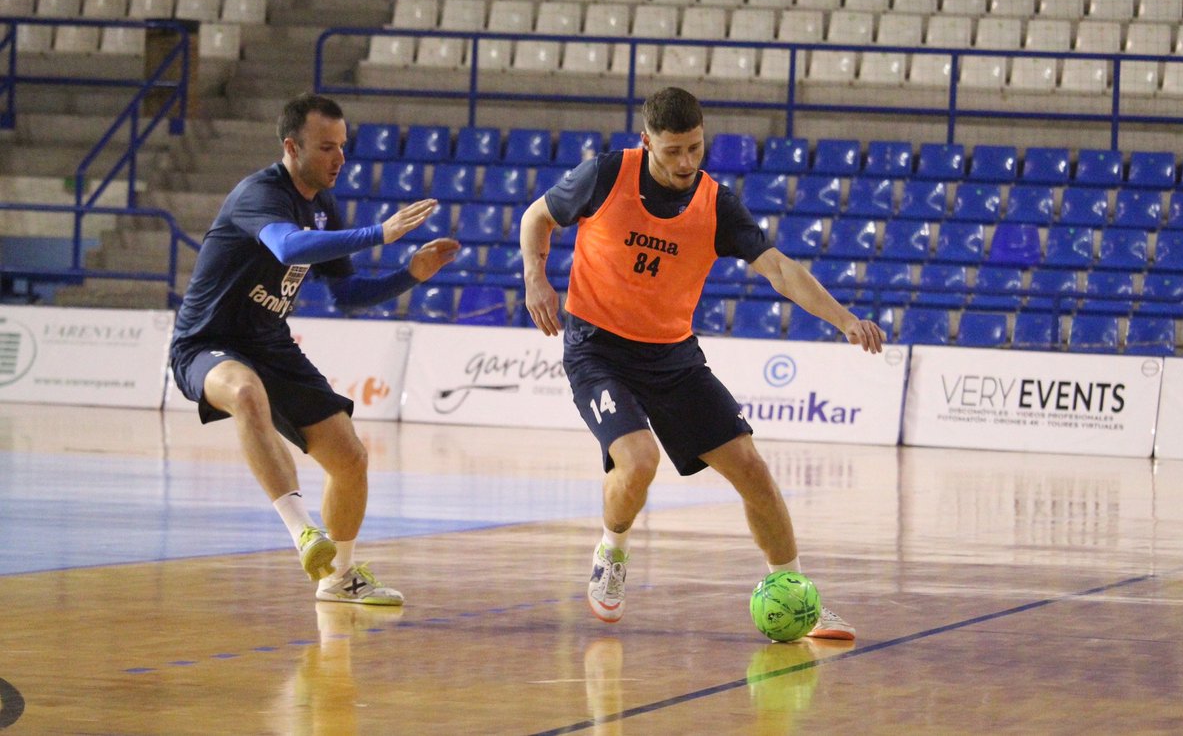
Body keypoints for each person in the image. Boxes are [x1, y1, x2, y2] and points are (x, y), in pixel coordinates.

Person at [520, 87, 885, 639]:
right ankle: (612, 550)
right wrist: (536, 279)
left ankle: (794, 594)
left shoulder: (716, 203)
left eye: (696, 148)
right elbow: (536, 217)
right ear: (647, 143)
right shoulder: (604, 175)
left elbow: (780, 269)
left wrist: (844, 319)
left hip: (673, 355)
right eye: (674, 152)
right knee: (639, 462)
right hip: (597, 348)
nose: (687, 162)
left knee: (752, 469)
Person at [170, 93, 459, 606]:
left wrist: (408, 275)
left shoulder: (324, 206)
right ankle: (303, 531)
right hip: (207, 344)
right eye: (327, 148)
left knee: (350, 458)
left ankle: (340, 577)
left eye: (343, 147)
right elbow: (287, 246)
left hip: (270, 344)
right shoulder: (259, 194)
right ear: (291, 147)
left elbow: (347, 296)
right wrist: (379, 232)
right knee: (245, 393)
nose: (339, 159)